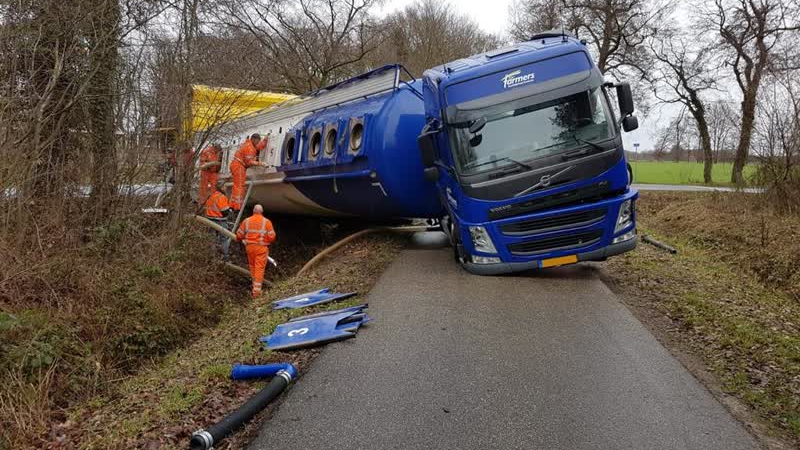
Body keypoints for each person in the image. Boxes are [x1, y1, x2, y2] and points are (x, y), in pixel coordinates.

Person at [235, 204, 276, 298]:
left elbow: (239, 234)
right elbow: (272, 237)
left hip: (249, 248)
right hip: (261, 248)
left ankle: (254, 287)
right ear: (262, 212)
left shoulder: (247, 221)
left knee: (252, 267)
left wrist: (239, 239)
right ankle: (256, 293)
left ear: (253, 211)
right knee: (259, 269)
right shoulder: (267, 222)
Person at [230, 134, 268, 211]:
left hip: (238, 165)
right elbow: (249, 162)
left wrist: (265, 140)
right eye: (258, 141)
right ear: (253, 139)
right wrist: (261, 163)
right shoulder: (249, 147)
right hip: (238, 166)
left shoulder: (250, 144)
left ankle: (234, 205)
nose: (258, 143)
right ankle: (236, 207)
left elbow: (258, 147)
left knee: (238, 186)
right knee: (239, 187)